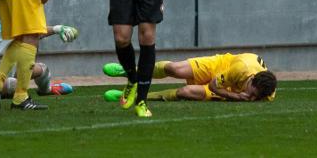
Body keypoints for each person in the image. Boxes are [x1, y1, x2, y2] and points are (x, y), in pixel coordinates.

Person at [103, 53, 277, 102]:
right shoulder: (242, 69)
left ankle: (134, 97)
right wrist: (235, 96)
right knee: (174, 69)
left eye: (256, 98)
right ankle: (127, 71)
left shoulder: (267, 93)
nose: (252, 98)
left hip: (229, 87)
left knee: (185, 92)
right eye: (251, 93)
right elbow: (214, 85)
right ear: (252, 79)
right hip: (220, 66)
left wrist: (244, 96)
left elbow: (260, 95)